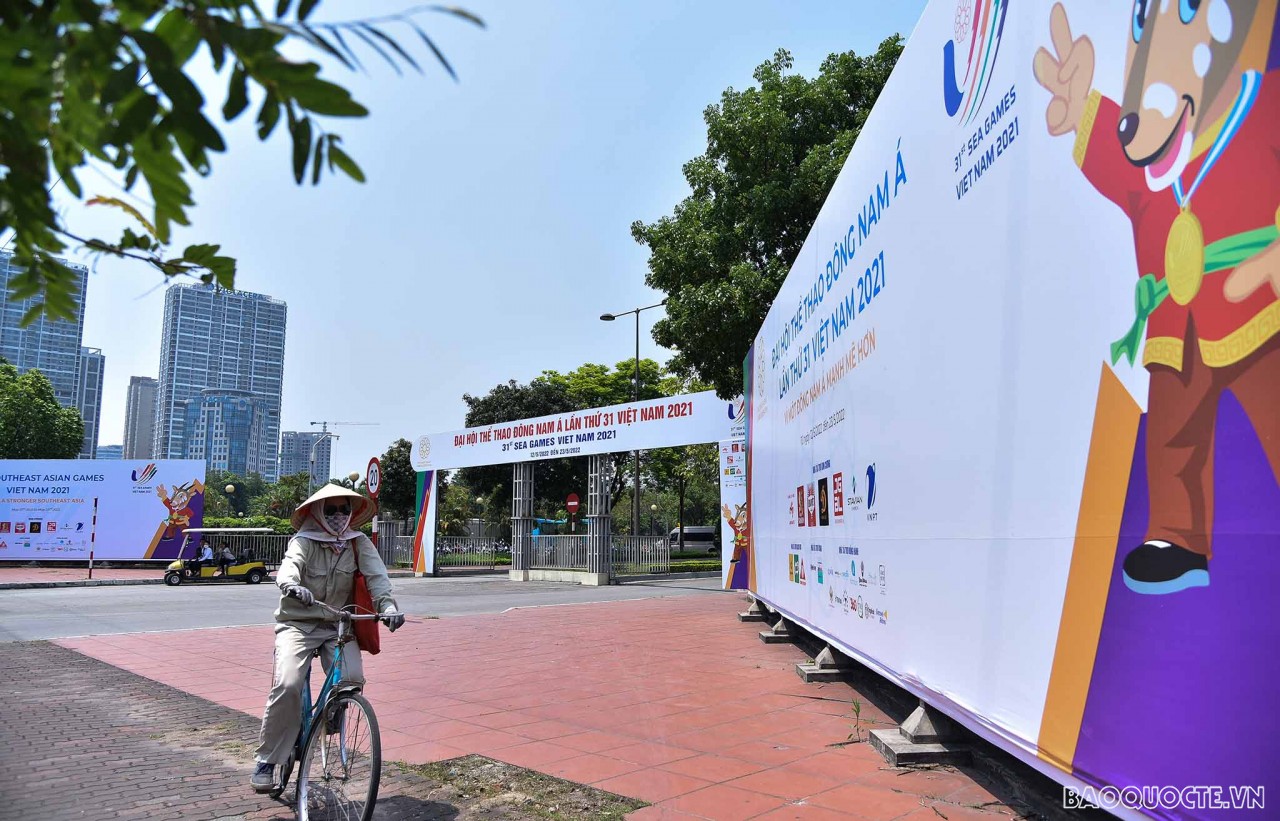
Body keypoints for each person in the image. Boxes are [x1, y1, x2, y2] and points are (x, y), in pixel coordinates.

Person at [250, 485, 405, 792]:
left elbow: (377, 578)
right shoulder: (304, 541)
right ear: (318, 512)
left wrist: (387, 607)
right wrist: (292, 586)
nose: (338, 517)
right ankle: (267, 759)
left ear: (352, 513)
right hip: (298, 624)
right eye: (331, 510)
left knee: (352, 677)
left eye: (344, 510)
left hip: (338, 625)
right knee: (289, 683)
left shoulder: (358, 543)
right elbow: (289, 567)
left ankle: (333, 710)